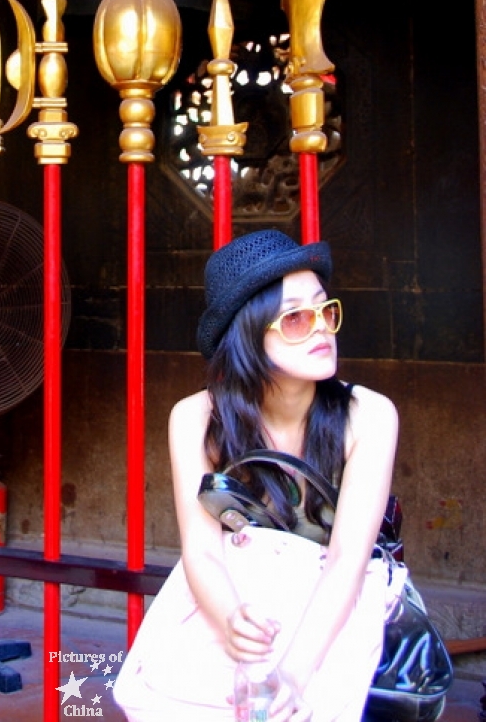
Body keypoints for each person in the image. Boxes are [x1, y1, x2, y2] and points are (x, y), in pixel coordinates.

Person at [113, 229, 401, 722]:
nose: (321, 329)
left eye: (325, 310)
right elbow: (200, 550)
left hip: (330, 616)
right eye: (295, 318)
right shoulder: (195, 418)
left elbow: (345, 563)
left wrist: (293, 672)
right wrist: (229, 619)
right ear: (247, 334)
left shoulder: (369, 415)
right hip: (234, 604)